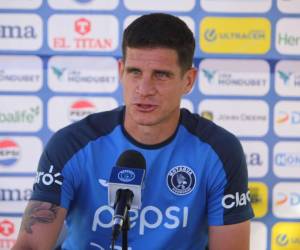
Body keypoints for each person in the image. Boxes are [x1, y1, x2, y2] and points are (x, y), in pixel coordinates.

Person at [13, 13, 254, 250]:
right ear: (121, 71)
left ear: (188, 80)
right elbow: (31, 246)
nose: (144, 89)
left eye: (161, 75)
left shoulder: (220, 151)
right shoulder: (71, 144)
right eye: (135, 72)